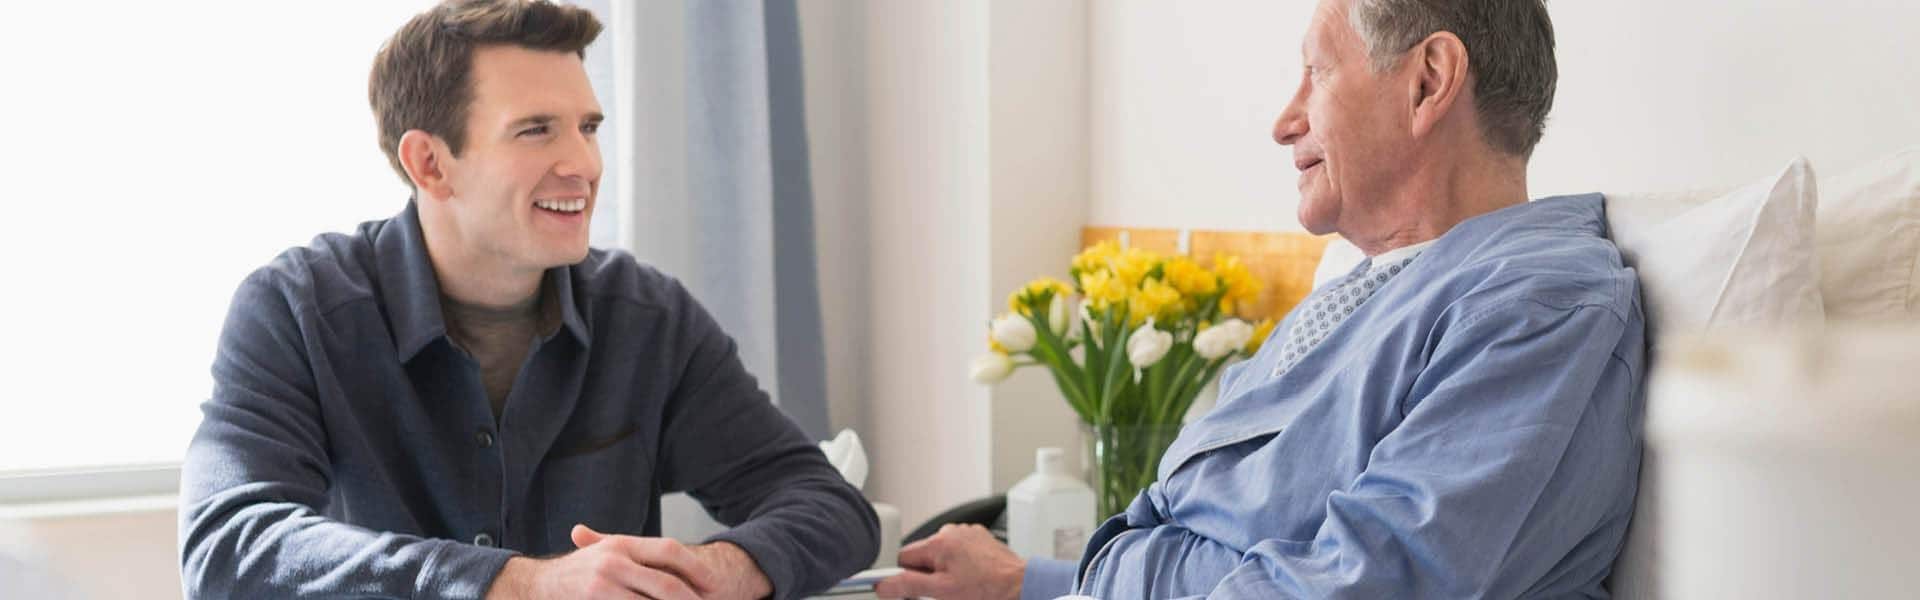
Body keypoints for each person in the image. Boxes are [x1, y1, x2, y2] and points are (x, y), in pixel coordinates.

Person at [878, 0, 1645, 597]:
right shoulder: (1369, 290)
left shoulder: (1539, 306)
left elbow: (1363, 583)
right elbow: (1211, 533)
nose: (1285, 122)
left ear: (1428, 81)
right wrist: (1036, 585)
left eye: (1317, 72)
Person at [177, 1, 877, 598]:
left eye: (589, 127)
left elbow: (827, 505)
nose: (584, 165)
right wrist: (518, 584)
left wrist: (713, 571)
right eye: (537, 129)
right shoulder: (294, 311)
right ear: (430, 162)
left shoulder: (649, 318)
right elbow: (229, 546)